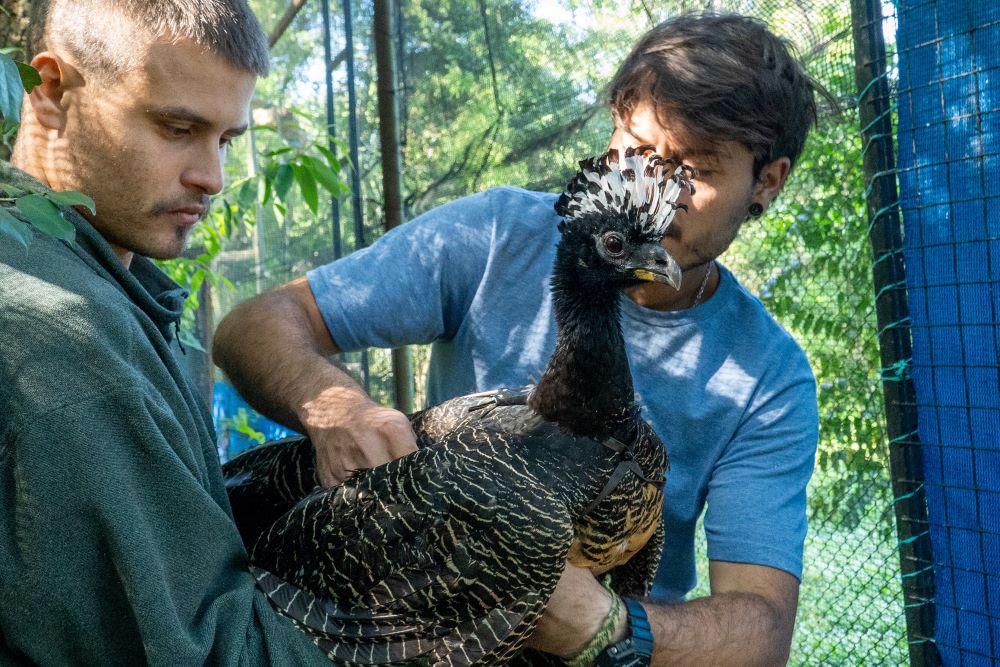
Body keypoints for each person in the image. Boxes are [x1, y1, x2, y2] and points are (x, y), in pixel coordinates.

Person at [214, 12, 821, 667]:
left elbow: (760, 633)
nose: (657, 192)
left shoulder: (767, 378)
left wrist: (601, 625)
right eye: (639, 152)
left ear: (767, 180)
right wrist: (336, 405)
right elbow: (252, 326)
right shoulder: (497, 234)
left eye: (692, 171)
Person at [0, 1, 328, 663]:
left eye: (226, 139)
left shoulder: (94, 281)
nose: (213, 176)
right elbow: (208, 651)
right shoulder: (68, 335)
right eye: (178, 127)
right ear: (53, 92)